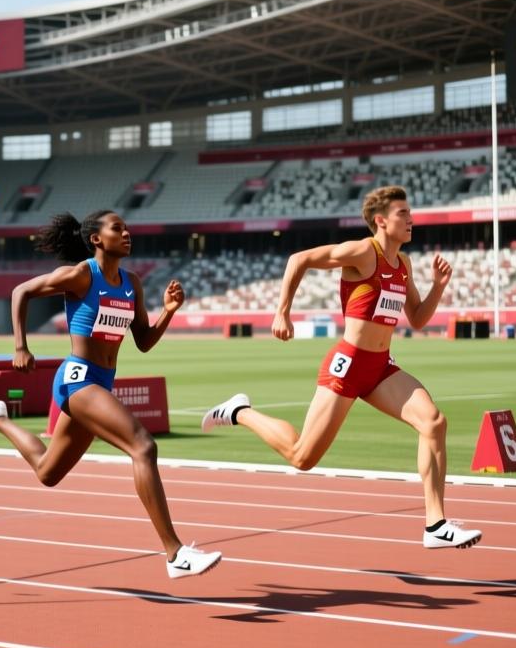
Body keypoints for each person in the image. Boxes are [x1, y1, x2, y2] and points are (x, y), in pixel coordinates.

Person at [202, 186, 482, 550]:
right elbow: (297, 259)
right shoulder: (364, 252)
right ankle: (239, 411)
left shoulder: (404, 264)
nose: (411, 219)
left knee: (433, 422)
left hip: (380, 367)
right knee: (303, 457)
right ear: (381, 221)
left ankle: (436, 525)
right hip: (348, 365)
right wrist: (281, 311)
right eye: (403, 213)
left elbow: (416, 319)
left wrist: (439, 287)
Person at [0, 210, 222, 579]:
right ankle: (175, 553)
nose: (127, 233)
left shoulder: (132, 283)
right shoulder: (82, 275)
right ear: (97, 239)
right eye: (118, 228)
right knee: (143, 446)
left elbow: (143, 342)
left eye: (127, 228)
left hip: (101, 382)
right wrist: (21, 346)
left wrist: (169, 312)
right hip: (78, 380)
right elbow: (22, 292)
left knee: (48, 472)